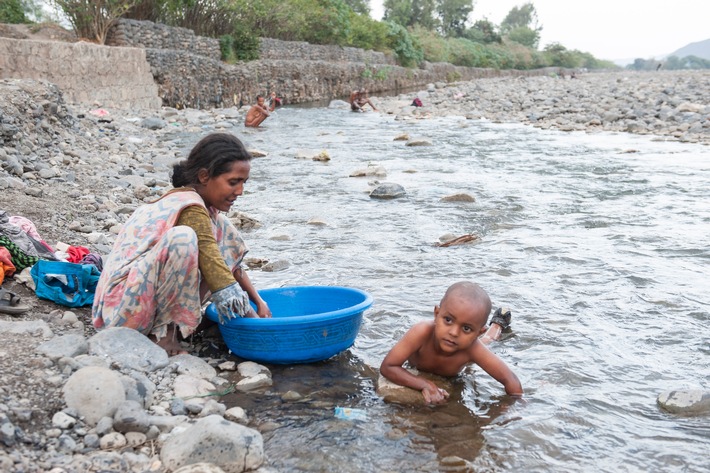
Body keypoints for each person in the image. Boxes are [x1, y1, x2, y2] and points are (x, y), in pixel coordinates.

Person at [92, 133, 271, 355]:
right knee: (183, 239)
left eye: (243, 183)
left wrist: (259, 302)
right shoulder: (189, 207)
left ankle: (185, 325)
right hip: (120, 313)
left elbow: (230, 266)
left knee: (223, 231)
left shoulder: (207, 212)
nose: (240, 191)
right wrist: (257, 327)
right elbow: (215, 268)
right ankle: (165, 337)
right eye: (233, 182)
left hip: (140, 302)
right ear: (205, 176)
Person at [380, 281, 522, 404]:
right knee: (479, 345)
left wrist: (514, 410)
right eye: (448, 320)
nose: (454, 332)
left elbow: (511, 380)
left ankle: (497, 324)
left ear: (478, 332)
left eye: (466, 328)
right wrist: (425, 385)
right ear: (437, 314)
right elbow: (388, 366)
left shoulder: (472, 348)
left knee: (487, 342)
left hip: (467, 351)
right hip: (459, 349)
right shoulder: (422, 332)